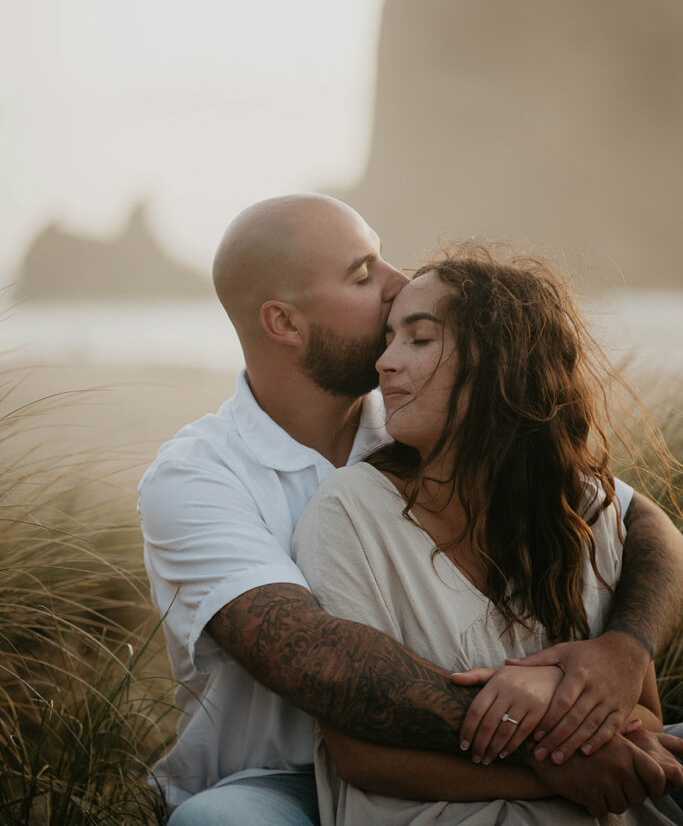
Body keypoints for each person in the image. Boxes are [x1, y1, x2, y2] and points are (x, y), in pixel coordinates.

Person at [138, 195, 683, 826]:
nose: (397, 282)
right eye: (363, 273)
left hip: (495, 751)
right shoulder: (198, 477)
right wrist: (554, 740)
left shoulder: (423, 417)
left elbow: (642, 524)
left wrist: (624, 649)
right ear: (283, 323)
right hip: (286, 783)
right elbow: (323, 662)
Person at [292, 243, 683, 824]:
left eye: (419, 339)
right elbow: (357, 753)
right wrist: (552, 763)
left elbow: (645, 715)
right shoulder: (348, 511)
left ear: (502, 361)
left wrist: (548, 688)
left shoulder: (584, 507)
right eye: (389, 340)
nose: (385, 363)